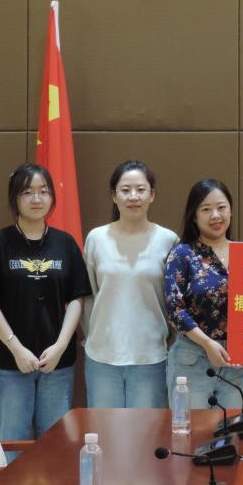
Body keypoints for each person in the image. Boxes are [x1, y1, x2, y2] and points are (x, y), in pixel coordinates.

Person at [0, 164, 91, 457]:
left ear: (52, 197)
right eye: (27, 192)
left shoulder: (65, 244)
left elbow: (77, 299)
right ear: (14, 198)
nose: (36, 199)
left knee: (56, 445)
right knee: (11, 443)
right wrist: (16, 348)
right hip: (10, 362)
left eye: (43, 191)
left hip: (57, 363)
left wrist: (61, 345)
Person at [82, 160, 178, 409]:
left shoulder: (168, 240)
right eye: (125, 190)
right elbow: (88, 296)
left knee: (146, 431)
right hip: (102, 356)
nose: (133, 196)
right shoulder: (96, 238)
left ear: (152, 195)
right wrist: (93, 336)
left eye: (140, 190)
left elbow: (174, 302)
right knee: (104, 430)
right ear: (114, 196)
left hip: (150, 357)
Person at [164, 178, 243, 410]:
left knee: (231, 427)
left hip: (234, 361)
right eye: (206, 209)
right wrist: (208, 343)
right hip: (191, 358)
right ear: (194, 215)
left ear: (230, 210)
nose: (216, 215)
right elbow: (175, 309)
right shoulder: (182, 254)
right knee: (193, 428)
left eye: (221, 207)